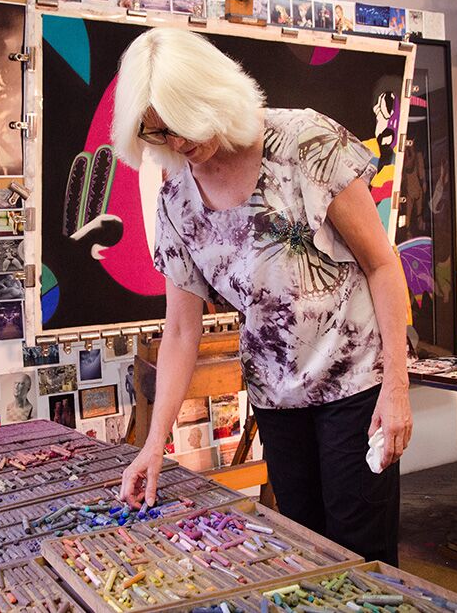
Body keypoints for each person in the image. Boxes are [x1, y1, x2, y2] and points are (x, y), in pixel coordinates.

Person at [112, 28, 412, 565]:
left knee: (363, 557)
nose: (178, 146)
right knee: (304, 552)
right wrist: (154, 444)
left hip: (355, 389)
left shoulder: (305, 143)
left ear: (213, 97)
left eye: (182, 127)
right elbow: (181, 330)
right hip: (277, 400)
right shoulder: (176, 199)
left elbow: (383, 264)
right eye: (160, 135)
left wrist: (397, 387)